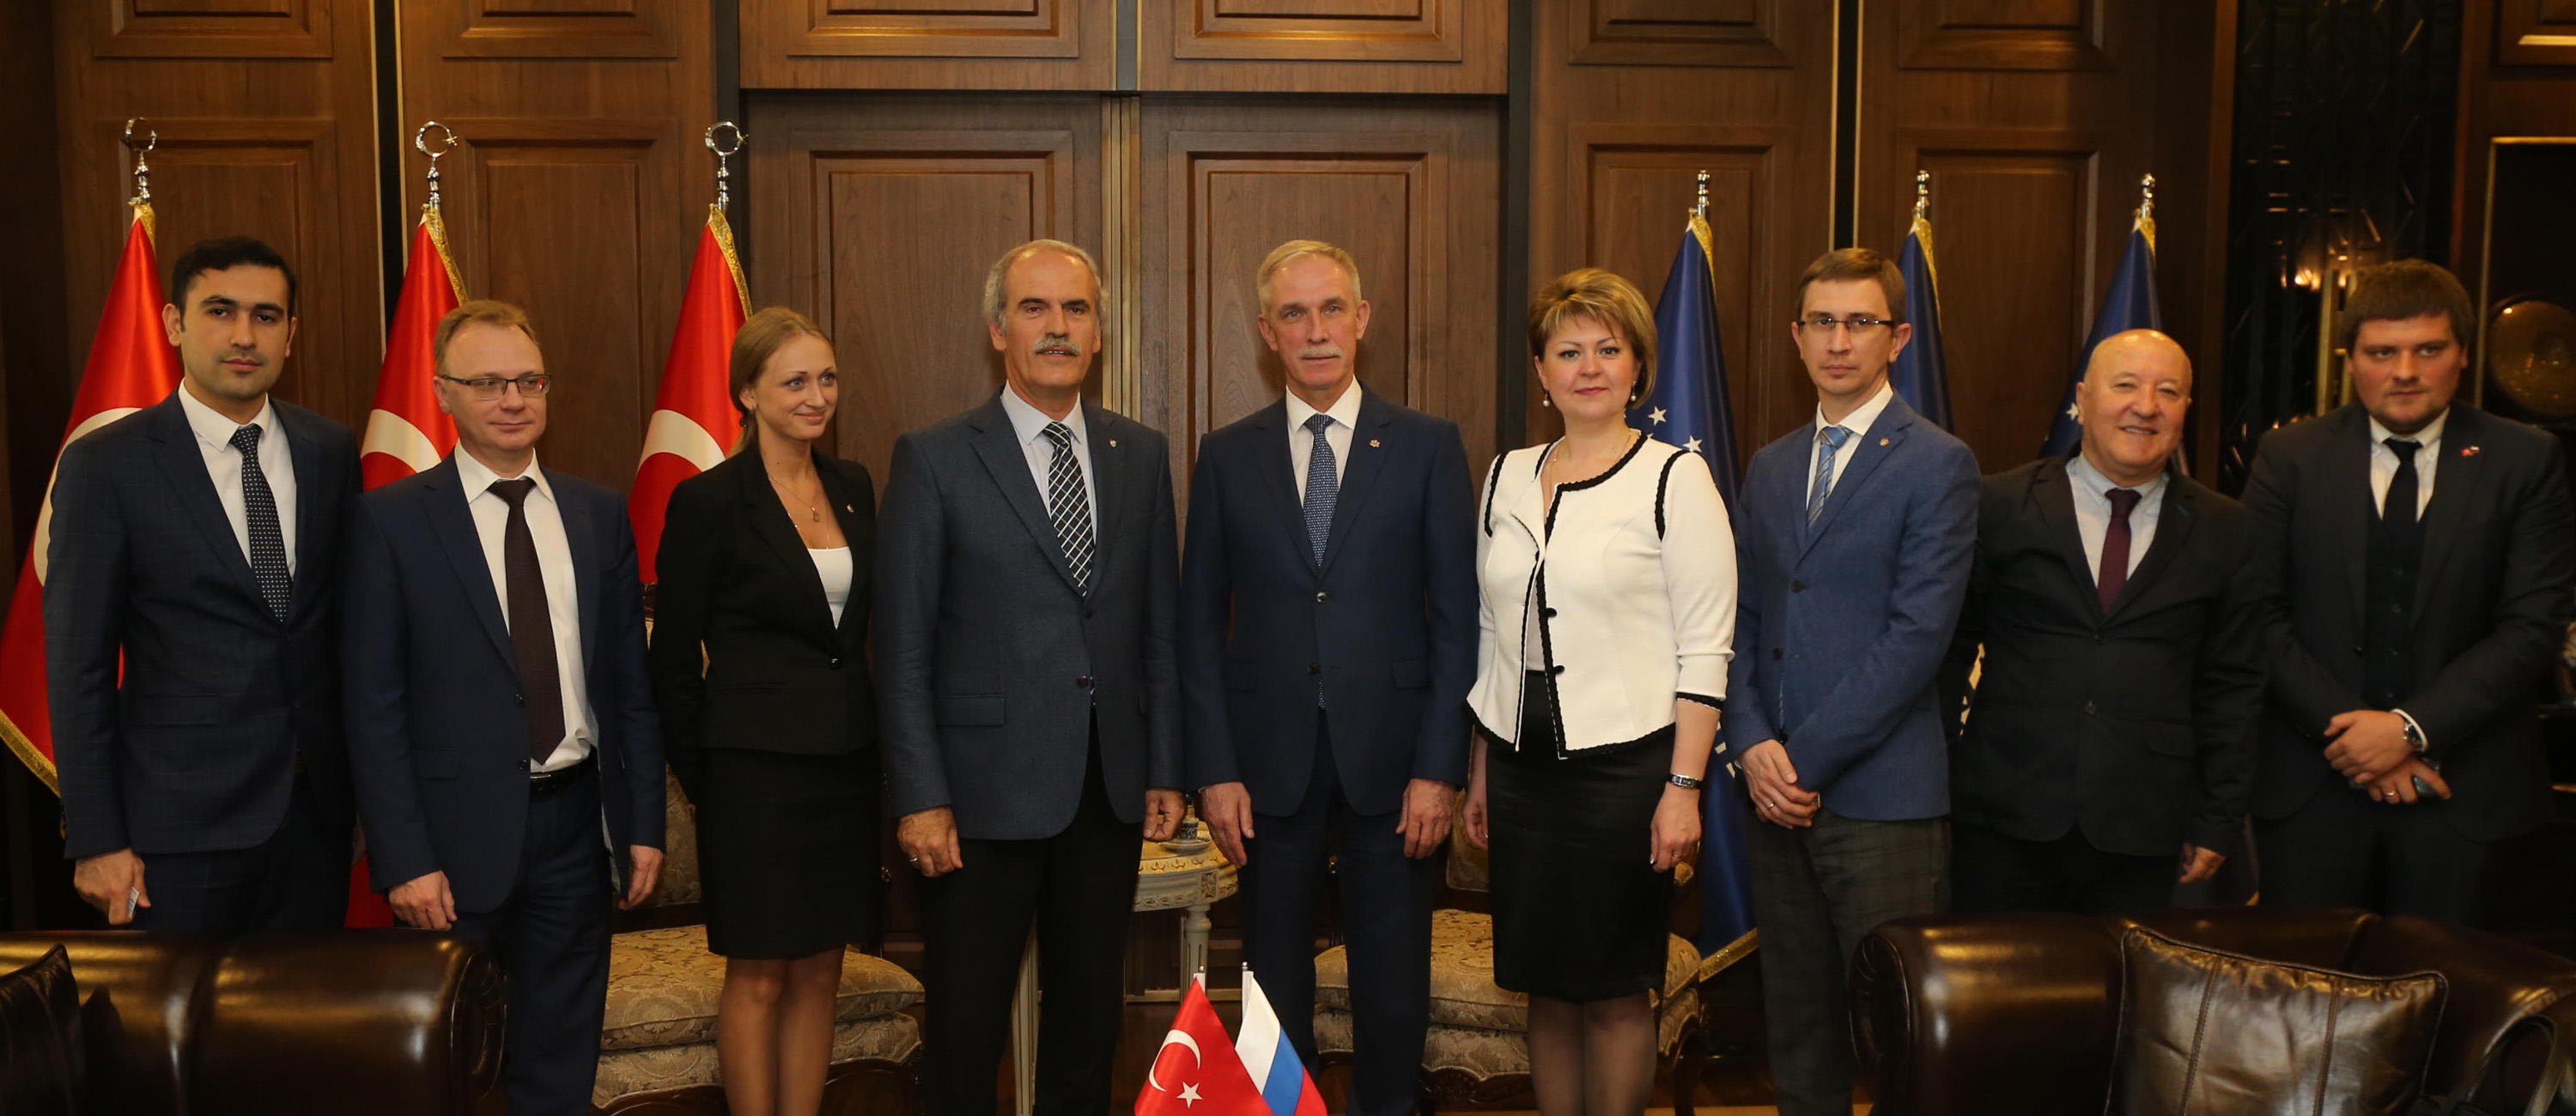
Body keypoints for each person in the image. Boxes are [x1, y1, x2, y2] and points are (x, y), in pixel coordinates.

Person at [874, 240, 1184, 1116]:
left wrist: (1165, 765)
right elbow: (902, 646)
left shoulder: (1138, 453)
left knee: (1090, 1024)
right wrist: (920, 796)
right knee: (966, 1030)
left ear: (1098, 332)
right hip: (976, 800)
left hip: (1106, 788)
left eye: (1075, 309)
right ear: (997, 329)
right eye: (1035, 308)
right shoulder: (936, 457)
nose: (1057, 327)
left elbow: (1158, 625)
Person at [343, 300, 666, 1116]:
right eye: (487, 383)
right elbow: (373, 707)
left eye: (528, 381)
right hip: (449, 845)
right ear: (443, 394)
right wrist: (403, 858)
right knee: (444, 1071)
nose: (512, 400)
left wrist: (643, 824)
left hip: (577, 830)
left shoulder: (597, 513)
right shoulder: (390, 521)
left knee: (560, 1061)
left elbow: (629, 685)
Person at [1180, 240, 1478, 1116]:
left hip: (1396, 764)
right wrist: (1215, 769)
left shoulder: (1427, 446)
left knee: (1393, 981)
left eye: (1332, 309)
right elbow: (1198, 623)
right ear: (1268, 330)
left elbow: (1457, 619)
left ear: (1361, 319)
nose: (1316, 330)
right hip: (1264, 766)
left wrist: (1439, 768)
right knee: (1272, 983)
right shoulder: (1226, 454)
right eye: (1295, 313)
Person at [1458, 268, 1735, 1116]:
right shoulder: (1505, 475)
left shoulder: (1674, 477)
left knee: (1614, 990)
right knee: (1544, 984)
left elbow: (1707, 648)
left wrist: (1683, 788)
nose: (1588, 367)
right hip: (1521, 766)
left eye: (1607, 350)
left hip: (1629, 772)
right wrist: (1481, 767)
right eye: (1568, 351)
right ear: (1541, 371)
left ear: (1637, 365)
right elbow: (1492, 629)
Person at [2241, 259, 2576, 923]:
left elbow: (2533, 624)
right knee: (2307, 982)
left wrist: (2408, 730)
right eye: (2382, 353)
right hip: (2314, 788)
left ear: (2463, 355)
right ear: (2350, 360)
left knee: (2450, 983)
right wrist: (2361, 744)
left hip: (2464, 790)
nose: (2405, 371)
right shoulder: (2290, 457)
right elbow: (2254, 613)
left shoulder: (2526, 460)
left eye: (2428, 350)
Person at [46, 236, 361, 932]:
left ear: (291, 335)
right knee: (178, 1011)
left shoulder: (330, 450)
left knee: (306, 1006)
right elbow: (77, 667)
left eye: (266, 316)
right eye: (220, 311)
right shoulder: (108, 464)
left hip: (314, 823)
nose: (244, 335)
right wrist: (97, 838)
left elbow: (343, 631)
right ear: (173, 323)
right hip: (173, 834)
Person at [1728, 248, 1977, 1116]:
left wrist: (1799, 761)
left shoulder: (1939, 463)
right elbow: (1742, 619)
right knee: (1799, 1034)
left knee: (1897, 1041)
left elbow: (1918, 637)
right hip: (1773, 797)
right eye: (1823, 323)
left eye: (1860, 323)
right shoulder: (1770, 466)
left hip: (1881, 801)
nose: (1839, 342)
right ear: (1797, 337)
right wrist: (1750, 743)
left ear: (1897, 338)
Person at [1941, 330, 2265, 915]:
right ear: (2084, 399)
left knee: (2120, 978)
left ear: (2186, 410)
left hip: (2143, 825)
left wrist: (2218, 817)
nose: (2146, 406)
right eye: (2126, 386)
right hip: (2000, 817)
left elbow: (2234, 685)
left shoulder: (2227, 528)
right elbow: (1948, 654)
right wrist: (1934, 786)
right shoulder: (1999, 504)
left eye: (2168, 392)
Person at [650, 307, 878, 1116]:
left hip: (846, 770)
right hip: (752, 779)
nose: (816, 397)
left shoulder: (853, 487)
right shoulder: (709, 501)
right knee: (759, 974)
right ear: (748, 393)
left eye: (827, 379)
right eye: (794, 382)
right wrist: (708, 778)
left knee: (822, 968)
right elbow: (672, 661)